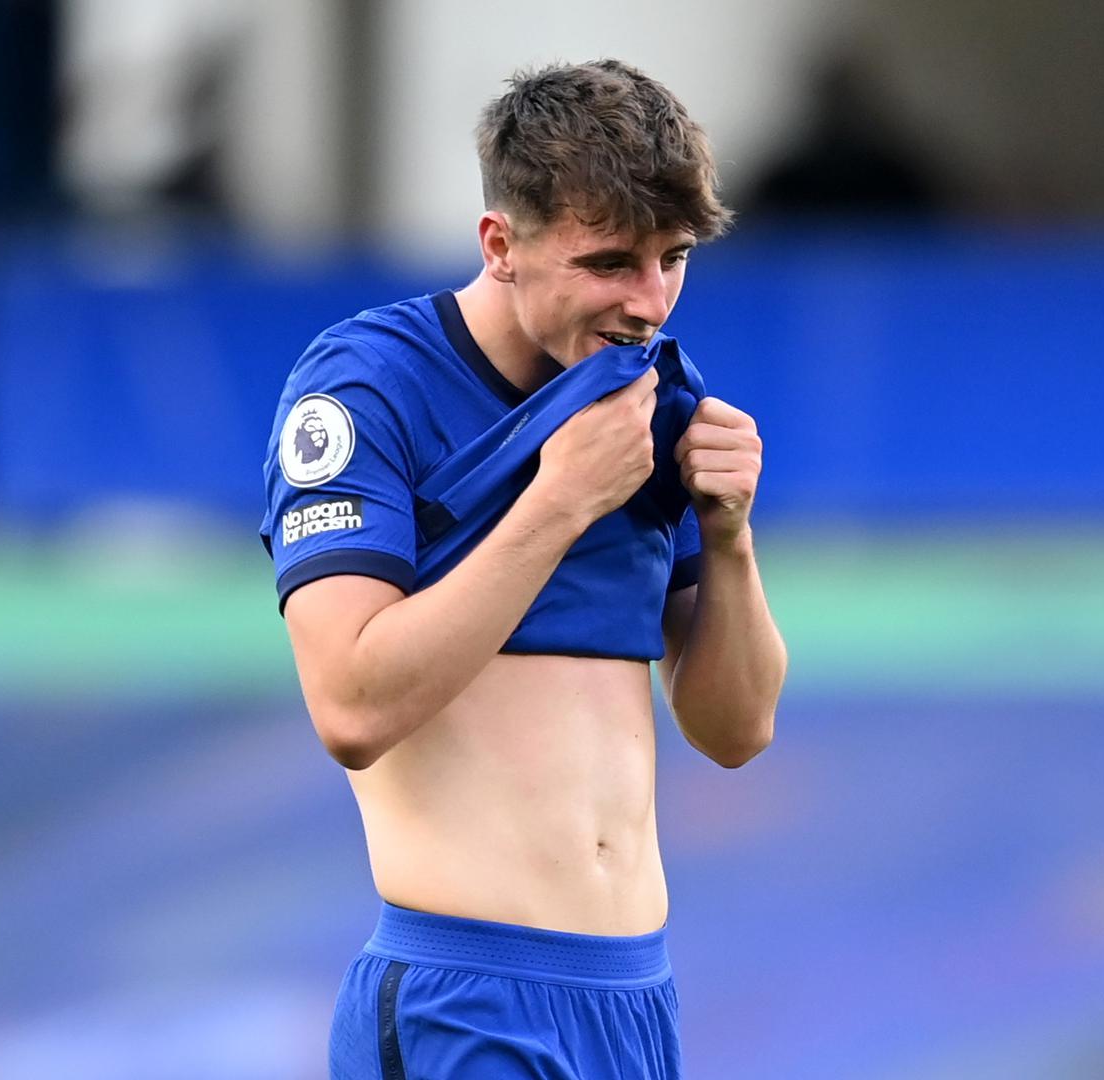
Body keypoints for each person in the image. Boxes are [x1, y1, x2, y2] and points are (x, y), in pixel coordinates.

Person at [259, 59, 787, 1079]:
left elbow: (734, 730)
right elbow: (351, 709)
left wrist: (729, 539)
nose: (647, 303)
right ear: (500, 244)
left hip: (634, 1003)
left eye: (671, 258)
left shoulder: (646, 393)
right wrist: (557, 503)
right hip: (468, 1002)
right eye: (608, 263)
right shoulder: (365, 389)